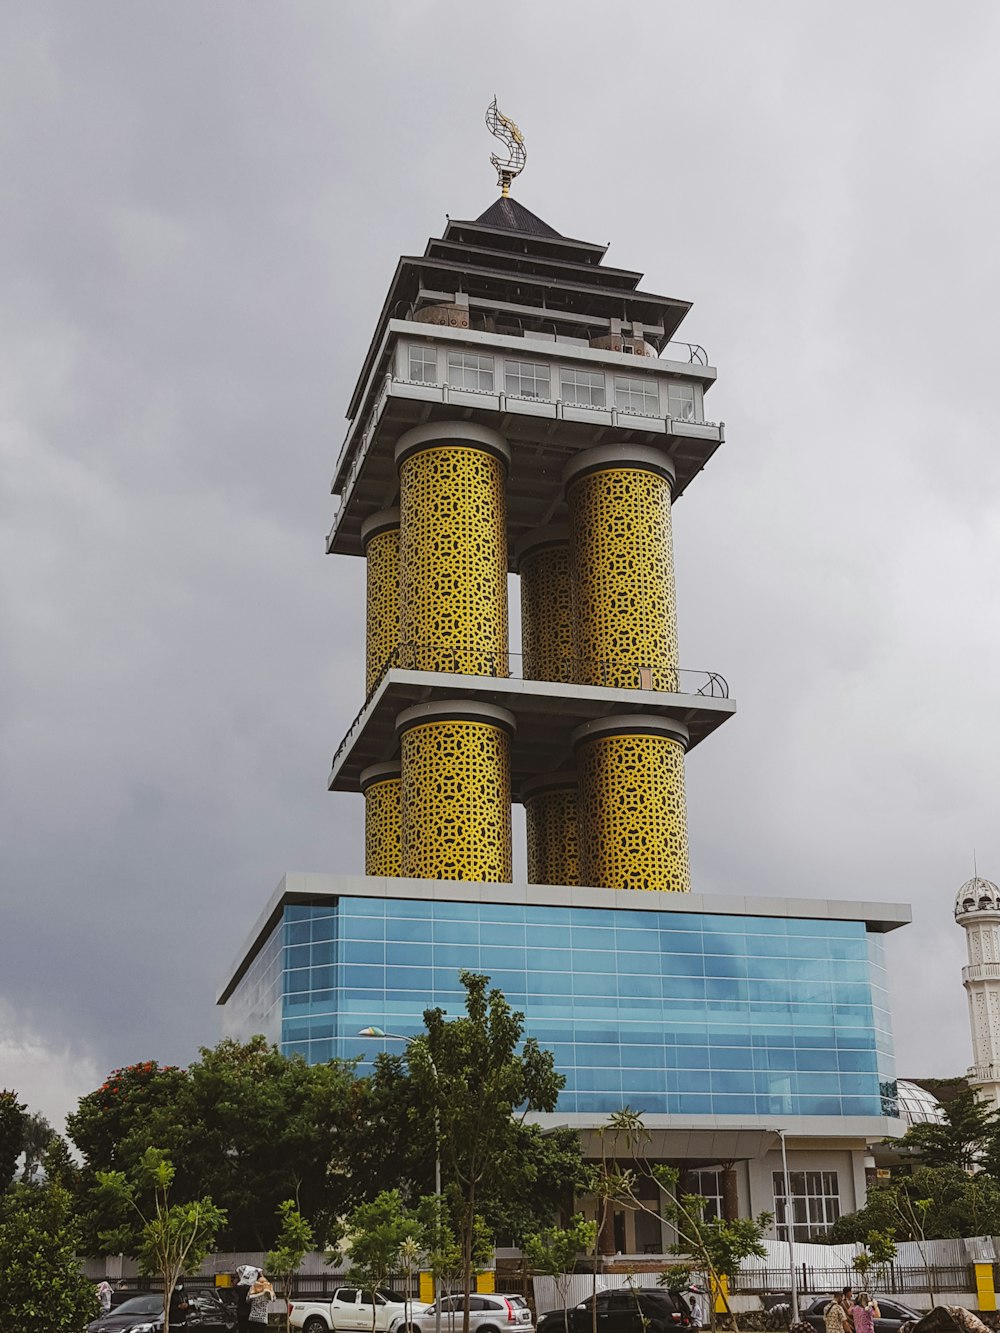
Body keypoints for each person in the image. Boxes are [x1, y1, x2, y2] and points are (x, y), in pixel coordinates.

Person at [235, 1266, 260, 1333]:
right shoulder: (252, 1288)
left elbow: (236, 1284)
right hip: (251, 1312)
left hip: (241, 1312)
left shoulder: (240, 1287)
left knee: (242, 1329)